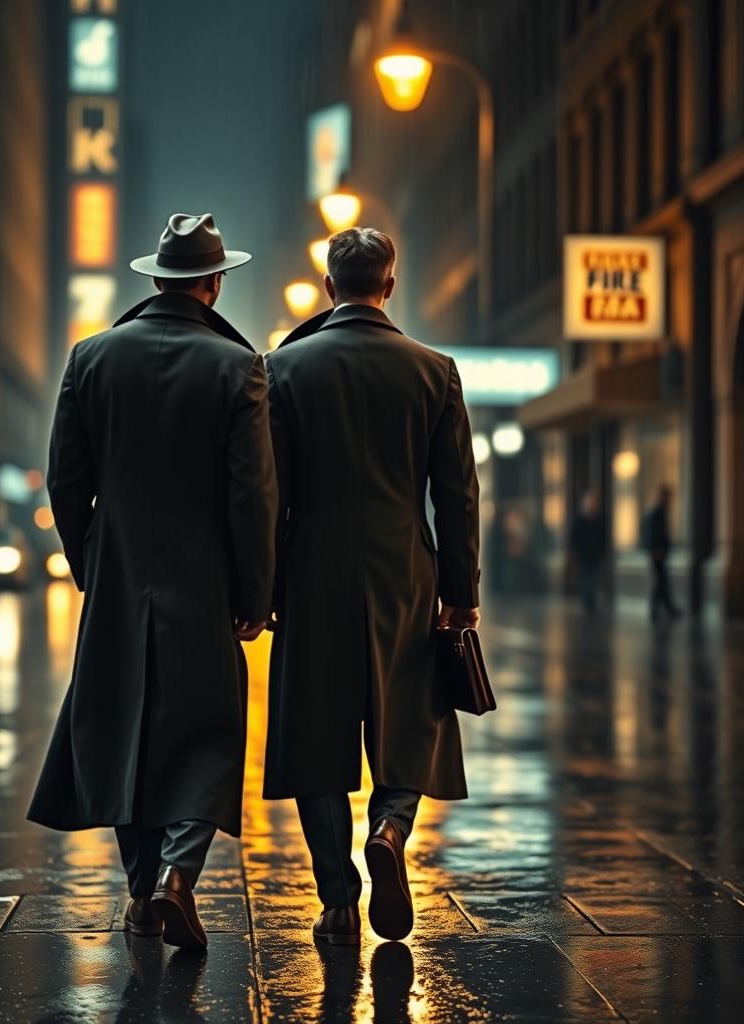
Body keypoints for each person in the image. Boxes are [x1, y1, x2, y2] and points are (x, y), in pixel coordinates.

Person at [27, 213, 277, 950]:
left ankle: (143, 888)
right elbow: (252, 495)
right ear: (213, 283)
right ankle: (175, 877)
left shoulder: (91, 357)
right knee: (207, 729)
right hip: (203, 579)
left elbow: (65, 482)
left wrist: (91, 562)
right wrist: (254, 596)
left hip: (119, 571)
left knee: (118, 722)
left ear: (157, 278)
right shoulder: (238, 367)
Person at [264, 227, 481, 945]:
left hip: (311, 569)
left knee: (315, 735)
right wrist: (460, 591)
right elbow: (457, 495)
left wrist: (260, 587)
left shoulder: (283, 369)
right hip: (405, 572)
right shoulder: (434, 370)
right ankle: (389, 829)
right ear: (390, 286)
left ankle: (336, 898)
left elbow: (267, 493)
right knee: (410, 719)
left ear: (329, 288)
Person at [642, 484, 680, 622]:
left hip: (660, 552)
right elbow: (654, 533)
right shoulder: (657, 512)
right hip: (657, 553)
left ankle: (667, 607)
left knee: (662, 581)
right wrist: (656, 549)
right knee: (660, 581)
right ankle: (657, 609)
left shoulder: (660, 511)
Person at [569, 490, 605, 613]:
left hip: (594, 554)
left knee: (593, 578)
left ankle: (590, 601)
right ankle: (587, 601)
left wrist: (601, 549)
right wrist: (575, 551)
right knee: (586, 578)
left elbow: (603, 536)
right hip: (583, 554)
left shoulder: (599, 519)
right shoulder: (579, 520)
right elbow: (574, 537)